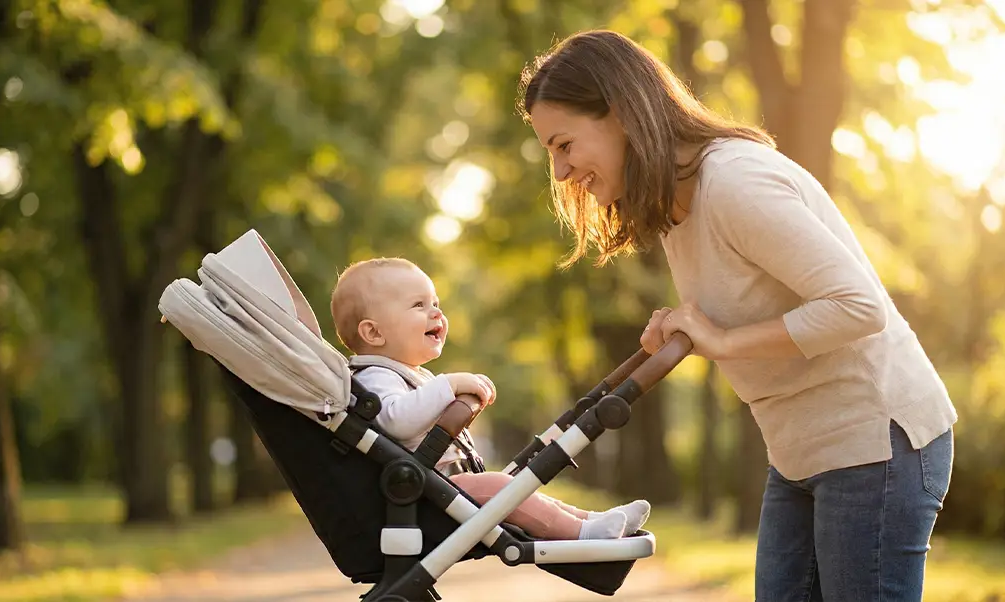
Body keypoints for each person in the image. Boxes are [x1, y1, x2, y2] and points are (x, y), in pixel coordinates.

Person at [518, 29, 957, 601]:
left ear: (621, 114)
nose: (559, 171)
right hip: (799, 447)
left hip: (875, 441)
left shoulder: (733, 182)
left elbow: (858, 306)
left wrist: (719, 340)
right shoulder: (676, 204)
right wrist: (688, 328)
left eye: (563, 144)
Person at [329, 257, 651, 541]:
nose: (436, 313)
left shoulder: (405, 374)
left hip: (435, 488)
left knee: (517, 489)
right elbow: (396, 421)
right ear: (373, 333)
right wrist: (449, 386)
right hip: (420, 497)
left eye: (435, 303)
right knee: (500, 488)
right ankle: (581, 532)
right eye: (418, 306)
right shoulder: (374, 377)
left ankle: (590, 520)